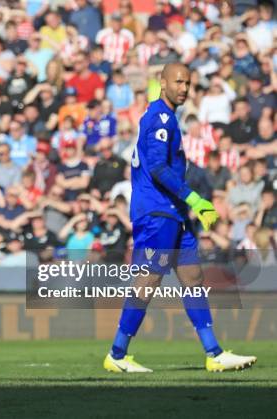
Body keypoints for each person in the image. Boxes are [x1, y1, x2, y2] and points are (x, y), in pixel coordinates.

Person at [104, 63, 256, 373]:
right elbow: (159, 169)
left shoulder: (168, 118)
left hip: (174, 214)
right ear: (162, 83)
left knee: (193, 279)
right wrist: (195, 198)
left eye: (188, 82)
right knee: (148, 281)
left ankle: (213, 352)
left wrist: (187, 207)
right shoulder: (159, 117)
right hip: (157, 212)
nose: (184, 87)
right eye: (178, 81)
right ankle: (117, 354)